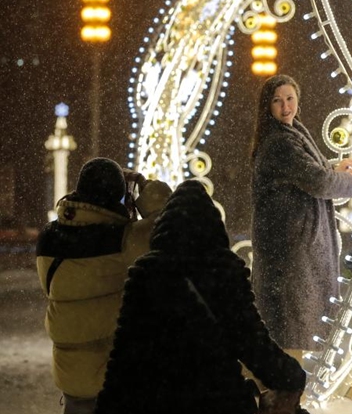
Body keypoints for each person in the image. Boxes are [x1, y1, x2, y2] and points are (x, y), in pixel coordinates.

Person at [94, 181, 307, 414]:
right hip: (217, 400)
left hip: (158, 401)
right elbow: (251, 341)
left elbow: (125, 355)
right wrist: (290, 374)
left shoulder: (146, 274)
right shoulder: (224, 273)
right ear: (214, 227)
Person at [35, 158, 171, 414]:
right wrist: (146, 188)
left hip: (70, 373)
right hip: (111, 373)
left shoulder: (48, 237)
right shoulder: (124, 240)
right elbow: (169, 226)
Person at [250, 74, 352, 359]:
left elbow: (311, 171)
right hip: (290, 251)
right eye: (277, 101)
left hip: (294, 247)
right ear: (268, 106)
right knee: (290, 330)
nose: (285, 106)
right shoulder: (280, 142)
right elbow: (317, 181)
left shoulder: (292, 134)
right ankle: (284, 399)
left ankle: (284, 394)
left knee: (291, 329)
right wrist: (350, 182)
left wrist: (336, 168)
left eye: (289, 98)